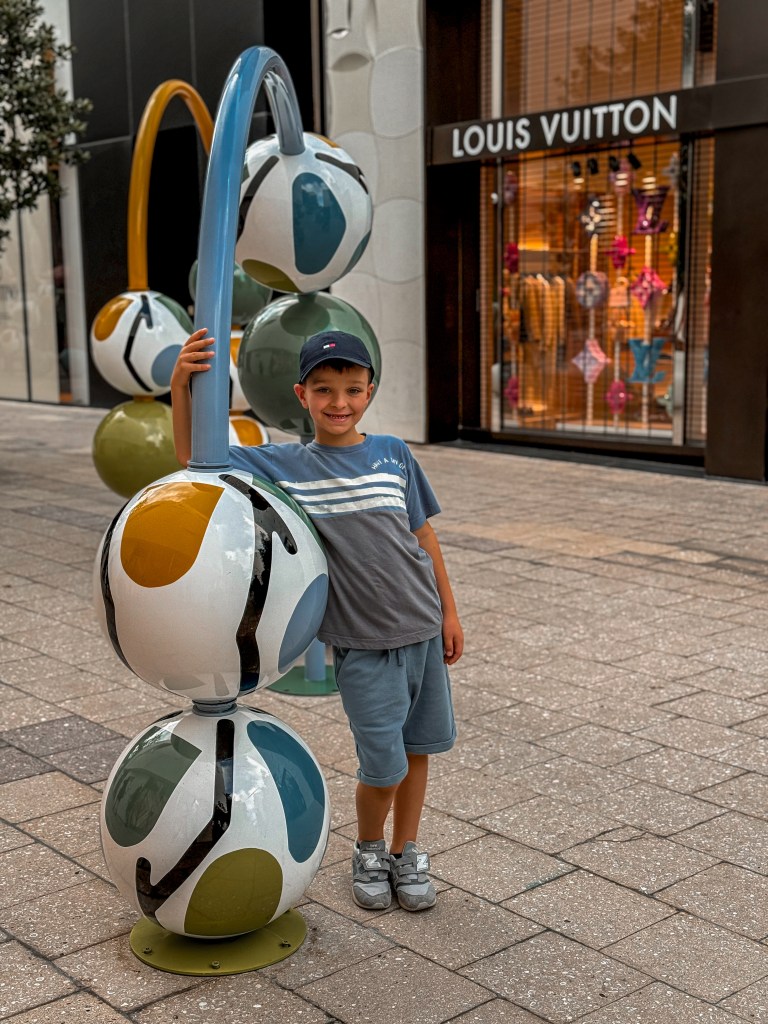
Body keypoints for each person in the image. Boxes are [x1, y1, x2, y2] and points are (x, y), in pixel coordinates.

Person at [171, 327, 464, 912]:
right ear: (301, 395)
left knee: (419, 751)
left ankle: (407, 852)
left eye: (353, 389)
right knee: (382, 766)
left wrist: (450, 612)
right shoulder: (287, 465)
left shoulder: (394, 454)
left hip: (424, 631)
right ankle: (370, 848)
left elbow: (423, 535)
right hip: (363, 645)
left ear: (369, 391)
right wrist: (181, 386)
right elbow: (194, 457)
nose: (339, 402)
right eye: (325, 389)